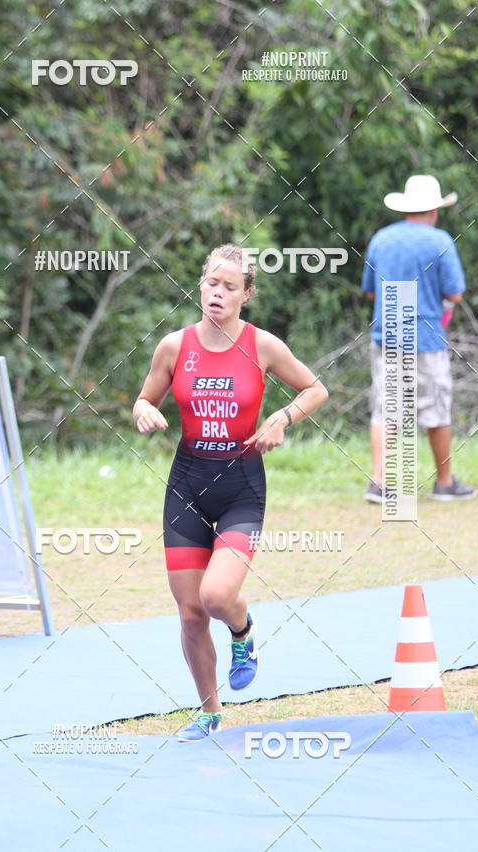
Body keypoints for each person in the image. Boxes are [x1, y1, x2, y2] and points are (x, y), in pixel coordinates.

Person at [133, 244, 328, 741]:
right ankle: (209, 711)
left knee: (217, 597)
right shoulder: (175, 346)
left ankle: (244, 630)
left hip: (241, 485)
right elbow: (144, 397)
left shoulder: (262, 346)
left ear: (246, 295)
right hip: (187, 485)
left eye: (230, 287)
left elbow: (315, 389)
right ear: (200, 285)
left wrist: (282, 418)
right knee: (191, 612)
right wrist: (144, 412)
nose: (218, 293)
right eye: (211, 283)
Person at [361, 174, 475, 502]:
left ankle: (379, 483)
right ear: (434, 210)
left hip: (386, 338)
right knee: (436, 409)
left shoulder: (381, 239)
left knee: (386, 408)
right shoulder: (440, 241)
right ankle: (444, 482)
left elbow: (370, 291)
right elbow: (454, 294)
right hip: (426, 338)